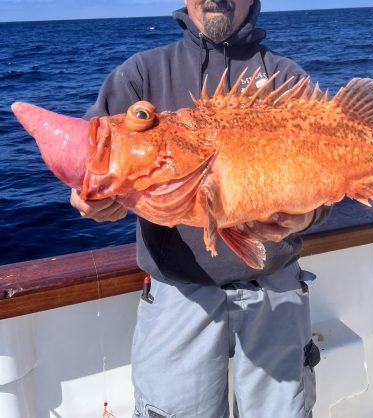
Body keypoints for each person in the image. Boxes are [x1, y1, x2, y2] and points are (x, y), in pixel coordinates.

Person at [71, 1, 330, 417]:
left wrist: (308, 214)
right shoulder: (142, 74)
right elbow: (92, 157)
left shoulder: (285, 79)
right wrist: (93, 195)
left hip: (276, 291)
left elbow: (329, 178)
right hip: (178, 294)